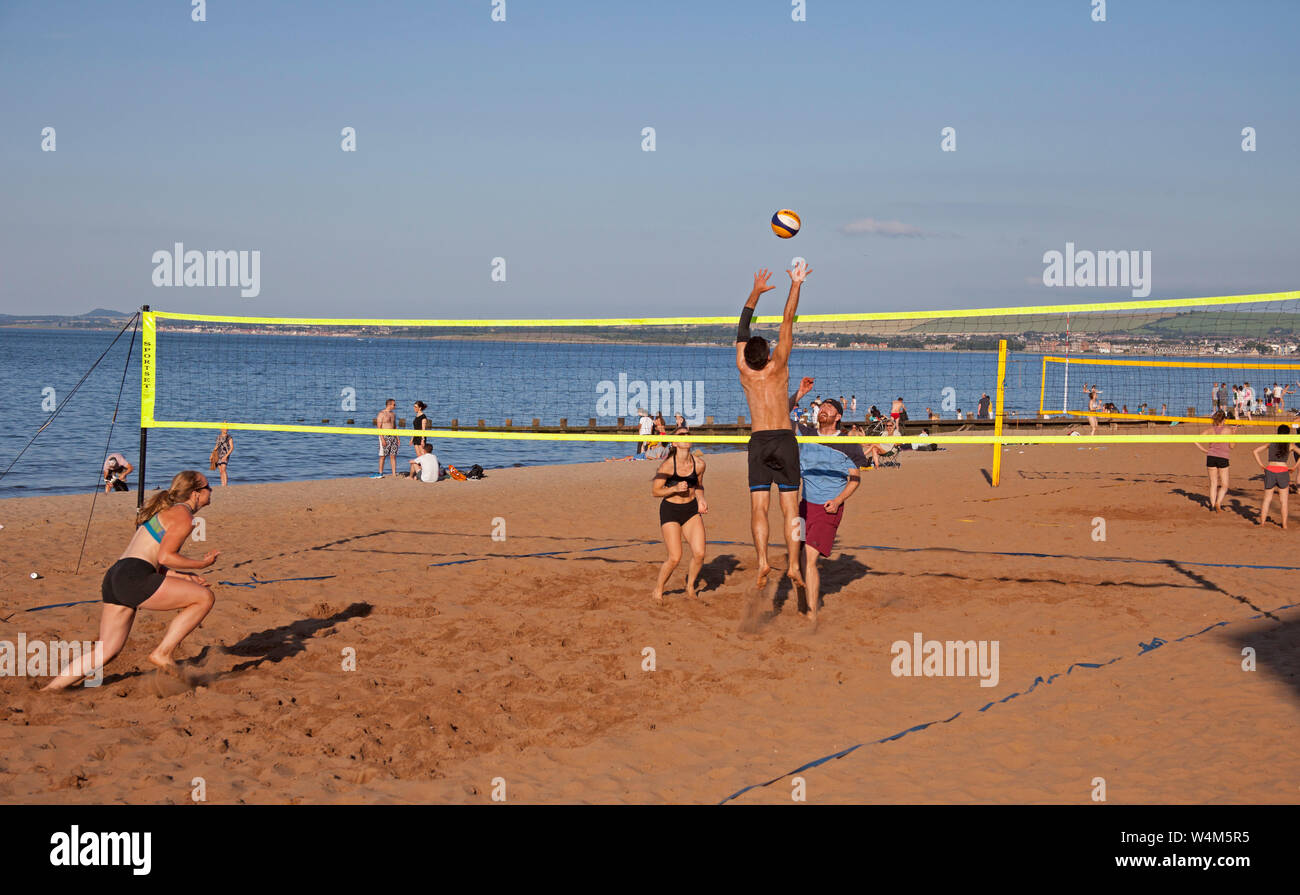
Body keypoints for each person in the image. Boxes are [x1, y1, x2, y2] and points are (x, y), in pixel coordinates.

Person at [43, 470, 219, 690]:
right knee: (204, 598)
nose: (211, 490)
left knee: (106, 650)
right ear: (195, 493)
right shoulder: (184, 516)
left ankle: (51, 689)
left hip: (117, 575)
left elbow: (154, 561)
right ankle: (162, 653)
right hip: (134, 576)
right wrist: (201, 564)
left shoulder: (167, 512)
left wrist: (186, 576)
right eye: (208, 486)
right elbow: (166, 557)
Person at [735, 262, 810, 589]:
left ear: (746, 356)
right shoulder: (778, 364)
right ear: (766, 353)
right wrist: (796, 283)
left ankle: (763, 561)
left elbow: (742, 329)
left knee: (759, 507)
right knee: (791, 507)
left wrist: (754, 292)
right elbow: (787, 320)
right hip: (784, 439)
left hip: (759, 441)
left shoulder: (743, 368)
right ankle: (794, 564)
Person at [788, 380, 863, 622]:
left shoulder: (848, 443)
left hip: (826, 509)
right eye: (822, 407)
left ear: (838, 416)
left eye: (829, 408)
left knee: (810, 559)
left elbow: (855, 479)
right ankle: (802, 603)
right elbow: (782, 412)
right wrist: (799, 394)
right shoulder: (806, 434)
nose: (824, 409)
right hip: (802, 505)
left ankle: (811, 616)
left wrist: (839, 500)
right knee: (795, 557)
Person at [651, 427, 708, 602]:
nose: (686, 437)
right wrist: (674, 488)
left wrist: (701, 499)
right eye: (681, 435)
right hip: (671, 510)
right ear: (674, 443)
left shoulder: (699, 464)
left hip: (690, 510)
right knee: (675, 557)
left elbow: (698, 485)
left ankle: (690, 588)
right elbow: (655, 491)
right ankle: (658, 590)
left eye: (688, 434)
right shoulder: (667, 466)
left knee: (699, 553)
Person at [1252, 425, 1296, 528]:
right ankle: (1284, 525)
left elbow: (1255, 451)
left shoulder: (1271, 443)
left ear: (1278, 433)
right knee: (1284, 501)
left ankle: (1262, 523)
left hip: (1270, 470)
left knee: (1267, 499)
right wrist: (1294, 466)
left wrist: (1261, 465)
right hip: (1283, 471)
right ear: (1288, 434)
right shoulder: (1290, 445)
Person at [1193, 409, 1235, 513]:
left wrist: (1204, 450)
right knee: (1224, 484)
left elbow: (1195, 439)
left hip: (1211, 456)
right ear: (1224, 419)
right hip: (1223, 457)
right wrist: (1234, 434)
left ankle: (1212, 505)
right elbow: (1232, 446)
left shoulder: (1210, 430)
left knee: (1213, 483)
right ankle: (1218, 503)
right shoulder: (1228, 430)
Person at [376, 399, 399, 476]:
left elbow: (395, 427)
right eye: (394, 404)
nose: (395, 406)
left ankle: (393, 473)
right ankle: (380, 472)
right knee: (383, 456)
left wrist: (398, 438)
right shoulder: (381, 414)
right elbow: (379, 428)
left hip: (393, 436)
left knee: (393, 455)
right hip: (385, 436)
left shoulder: (393, 414)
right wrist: (382, 439)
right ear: (389, 405)